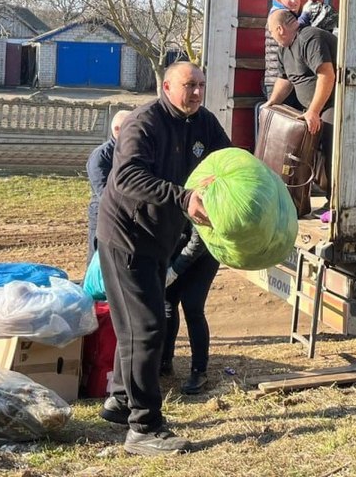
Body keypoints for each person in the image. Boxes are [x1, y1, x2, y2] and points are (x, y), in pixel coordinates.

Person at [95, 61, 231, 456]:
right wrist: (184, 198)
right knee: (148, 328)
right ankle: (144, 427)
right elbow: (127, 177)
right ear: (167, 86)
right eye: (189, 85)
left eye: (201, 85)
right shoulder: (144, 123)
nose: (197, 93)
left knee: (137, 326)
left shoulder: (203, 122)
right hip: (127, 238)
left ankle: (122, 400)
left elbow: (228, 159)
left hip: (161, 241)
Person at [265, 7, 337, 179]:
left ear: (280, 29)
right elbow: (284, 80)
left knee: (330, 150)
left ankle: (333, 193)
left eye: (271, 32)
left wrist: (314, 111)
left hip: (331, 105)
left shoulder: (310, 38)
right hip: (308, 107)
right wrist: (272, 103)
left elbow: (327, 75)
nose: (272, 36)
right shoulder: (284, 49)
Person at [160, 222, 220, 395]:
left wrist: (174, 271)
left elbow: (198, 240)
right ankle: (165, 361)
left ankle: (199, 371)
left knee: (193, 308)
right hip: (175, 250)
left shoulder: (195, 203)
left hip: (204, 253)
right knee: (168, 303)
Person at [86, 109, 131, 262]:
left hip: (126, 215)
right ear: (117, 130)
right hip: (104, 214)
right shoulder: (101, 156)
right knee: (98, 259)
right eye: (132, 127)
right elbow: (103, 191)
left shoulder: (132, 153)